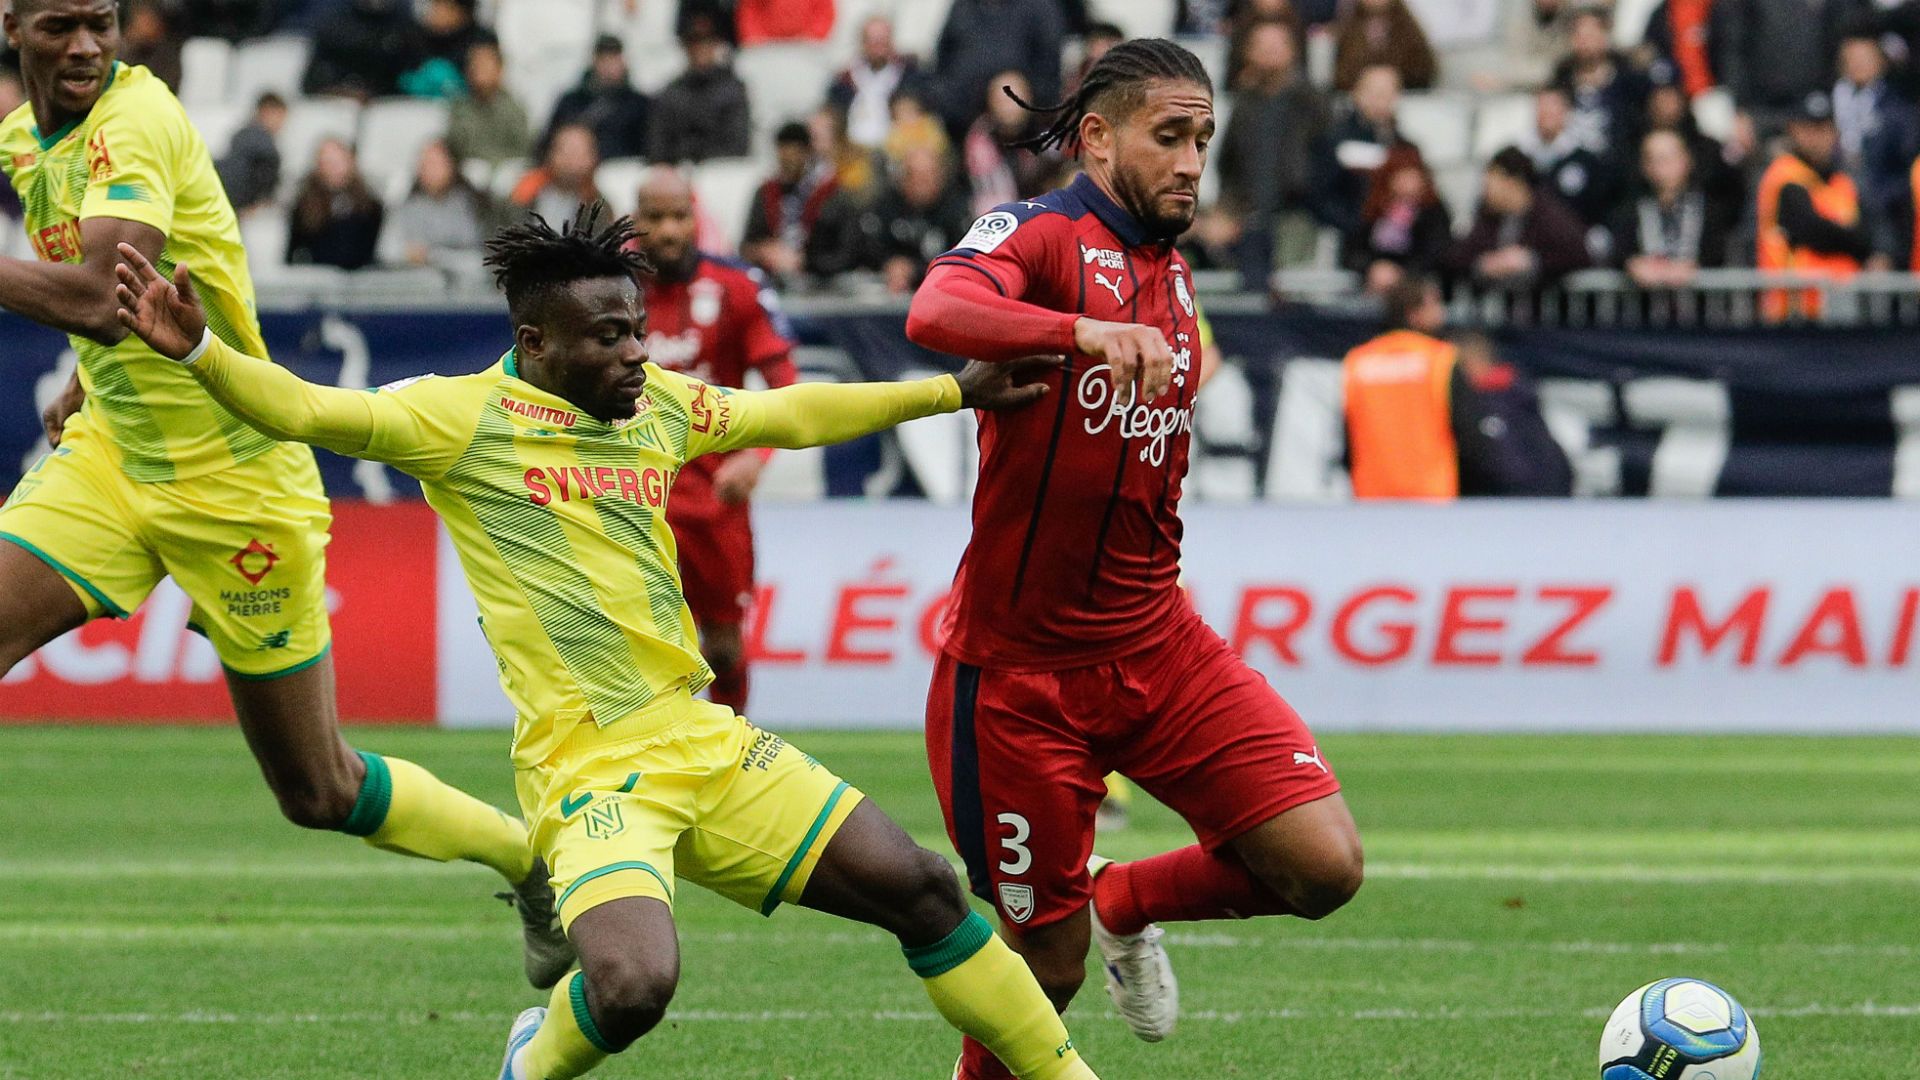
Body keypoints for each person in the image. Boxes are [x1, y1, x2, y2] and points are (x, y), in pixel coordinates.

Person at [111, 208, 1104, 1080]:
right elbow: (306, 409)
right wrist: (201, 353)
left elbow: (791, 412)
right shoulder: (459, 421)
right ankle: (529, 1060)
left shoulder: (658, 406)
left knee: (926, 890)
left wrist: (955, 393)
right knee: (632, 986)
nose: (641, 354)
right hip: (590, 770)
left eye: (640, 329)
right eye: (612, 338)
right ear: (537, 342)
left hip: (704, 741)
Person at [0, 0, 568, 991]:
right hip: (112, 462)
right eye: (59, 26)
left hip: (238, 482)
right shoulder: (23, 136)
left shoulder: (137, 121)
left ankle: (528, 858)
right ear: (11, 25)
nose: (86, 45)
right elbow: (138, 287)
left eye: (101, 21)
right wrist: (94, 376)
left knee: (317, 787)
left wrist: (97, 337)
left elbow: (98, 290)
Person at [906, 39, 1363, 1080]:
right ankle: (1077, 928)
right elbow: (932, 310)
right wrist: (1076, 333)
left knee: (1324, 867)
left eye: (1203, 138)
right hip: (1018, 679)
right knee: (1043, 973)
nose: (1193, 161)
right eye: (1170, 136)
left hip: (1159, 644)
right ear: (1100, 137)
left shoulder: (1176, 277)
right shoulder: (1041, 234)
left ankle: (1129, 897)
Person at [629, 168, 795, 715]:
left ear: (696, 217)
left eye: (679, 216)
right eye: (655, 217)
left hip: (713, 499)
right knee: (639, 651)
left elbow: (784, 384)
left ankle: (732, 761)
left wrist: (756, 456)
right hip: (628, 496)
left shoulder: (736, 287)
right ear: (635, 220)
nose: (669, 230)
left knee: (722, 648)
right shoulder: (608, 291)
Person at [1216, 18, 1327, 285]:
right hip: (1249, 217)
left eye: (1276, 44)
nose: (1269, 51)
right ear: (1248, 52)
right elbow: (1227, 163)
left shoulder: (1313, 102)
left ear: (1293, 50)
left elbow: (1326, 162)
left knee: (1290, 288)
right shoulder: (1244, 103)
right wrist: (1228, 209)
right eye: (1261, 45)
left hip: (1298, 217)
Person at [1343, 276, 1469, 499]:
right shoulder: (1441, 359)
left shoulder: (1358, 360)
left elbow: (1347, 436)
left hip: (1371, 497)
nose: (1441, 313)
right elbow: (1467, 432)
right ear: (1414, 314)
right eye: (1435, 305)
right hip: (1432, 497)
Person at [1757, 91, 1877, 321]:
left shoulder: (1843, 180)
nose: (1816, 138)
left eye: (1823, 129)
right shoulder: (1784, 175)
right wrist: (1853, 239)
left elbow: (1869, 231)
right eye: (1808, 129)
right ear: (1793, 131)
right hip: (1793, 309)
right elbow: (1812, 229)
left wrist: (1857, 239)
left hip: (1842, 307)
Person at [1445, 146, 1593, 291]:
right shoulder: (1488, 217)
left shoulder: (1549, 215)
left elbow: (1578, 254)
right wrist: (1484, 263)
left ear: (1511, 182)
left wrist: (1532, 261)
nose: (1485, 190)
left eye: (1491, 181)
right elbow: (1458, 256)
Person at [741, 121, 865, 283]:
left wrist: (804, 262)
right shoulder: (766, 193)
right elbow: (746, 247)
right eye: (783, 156)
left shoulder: (833, 196)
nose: (789, 161)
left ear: (807, 153)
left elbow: (849, 254)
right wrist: (764, 251)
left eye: (795, 154)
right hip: (775, 281)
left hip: (824, 284)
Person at [1710, 0, 1857, 137]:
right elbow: (1732, 48)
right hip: (1768, 107)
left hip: (1828, 104)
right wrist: (1740, 108)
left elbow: (1848, 34)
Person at [1605, 129, 1732, 284]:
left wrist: (1691, 267)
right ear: (1644, 166)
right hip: (1643, 304)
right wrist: (1633, 265)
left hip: (1700, 304)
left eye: (1668, 158)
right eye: (1654, 159)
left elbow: (1717, 253)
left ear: (1686, 160)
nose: (1661, 167)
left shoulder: (1710, 209)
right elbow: (1618, 252)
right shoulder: (1628, 210)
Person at [1833, 30, 1918, 261]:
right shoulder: (1829, 104)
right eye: (1851, 60)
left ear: (1880, 62)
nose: (1858, 66)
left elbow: (1905, 166)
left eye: (1865, 59)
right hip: (1837, 201)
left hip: (1883, 205)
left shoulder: (1898, 111)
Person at [931, 0, 1067, 141]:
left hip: (1026, 121)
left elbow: (1049, 65)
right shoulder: (963, 7)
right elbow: (943, 60)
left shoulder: (1038, 7)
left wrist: (1017, 90)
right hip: (965, 119)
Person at [1310, 63, 1416, 238]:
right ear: (1356, 93)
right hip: (1351, 239)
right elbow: (1319, 196)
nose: (1381, 98)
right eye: (1374, 91)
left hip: (1397, 239)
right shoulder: (1334, 140)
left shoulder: (1406, 147)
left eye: (1388, 91)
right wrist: (1360, 225)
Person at [1341, 144, 1452, 293]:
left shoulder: (1433, 212)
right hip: (1371, 283)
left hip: (1413, 285)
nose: (1408, 181)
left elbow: (1437, 252)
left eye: (1413, 174)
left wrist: (1402, 273)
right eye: (1402, 174)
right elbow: (1351, 251)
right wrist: (1372, 268)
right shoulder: (1373, 208)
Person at [865, 144, 976, 292]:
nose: (922, 183)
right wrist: (889, 265)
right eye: (915, 175)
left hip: (944, 292)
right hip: (887, 292)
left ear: (941, 176)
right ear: (902, 178)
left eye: (929, 175)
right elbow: (867, 251)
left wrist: (915, 270)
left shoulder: (957, 210)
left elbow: (965, 262)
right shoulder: (885, 207)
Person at [1549, 6, 1647, 165]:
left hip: (1616, 167)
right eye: (1578, 35)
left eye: (1591, 35)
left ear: (1605, 36)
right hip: (1569, 165)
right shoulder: (1562, 78)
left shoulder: (1627, 78)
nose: (1585, 42)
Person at [648, 15, 751, 163]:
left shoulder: (733, 90)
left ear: (716, 45)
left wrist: (698, 156)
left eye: (707, 41)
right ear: (685, 47)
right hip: (676, 172)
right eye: (694, 42)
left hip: (721, 173)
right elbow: (657, 147)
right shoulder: (670, 93)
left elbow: (737, 146)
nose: (700, 48)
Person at [963, 70, 1061, 215]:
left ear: (1028, 98)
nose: (1010, 107)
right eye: (1002, 101)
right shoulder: (980, 141)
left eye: (1016, 98)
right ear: (990, 104)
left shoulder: (1047, 134)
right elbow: (993, 199)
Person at [1522, 84, 1621, 227]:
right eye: (1542, 107)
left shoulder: (1586, 160)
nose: (1546, 113)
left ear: (1567, 112)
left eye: (1552, 107)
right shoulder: (1522, 156)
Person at [542, 34, 650, 163]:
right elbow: (548, 143)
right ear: (594, 61)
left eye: (614, 58)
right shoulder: (571, 102)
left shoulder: (639, 105)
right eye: (604, 59)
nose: (609, 66)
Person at [382, 137, 487, 267]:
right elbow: (387, 251)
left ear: (452, 165)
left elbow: (480, 259)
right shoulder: (406, 208)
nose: (429, 171)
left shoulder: (473, 206)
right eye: (424, 164)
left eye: (435, 164)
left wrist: (431, 255)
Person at [287, 137, 384, 270]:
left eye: (337, 162)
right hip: (319, 278)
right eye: (327, 162)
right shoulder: (304, 206)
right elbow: (293, 251)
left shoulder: (370, 205)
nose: (333, 168)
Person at [827, 15, 922, 148]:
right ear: (862, 42)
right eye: (872, 40)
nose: (878, 46)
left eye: (882, 40)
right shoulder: (844, 80)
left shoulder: (911, 77)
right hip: (853, 151)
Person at [302, 0, 425, 99]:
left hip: (385, 104)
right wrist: (340, 91)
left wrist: (373, 94)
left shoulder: (404, 26)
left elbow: (408, 78)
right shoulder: (335, 23)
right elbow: (311, 81)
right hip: (336, 99)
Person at [447, 37, 532, 170]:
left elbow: (525, 148)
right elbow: (455, 148)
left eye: (486, 64)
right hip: (468, 173)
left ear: (499, 70)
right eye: (475, 64)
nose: (479, 70)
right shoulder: (459, 108)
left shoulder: (515, 108)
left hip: (509, 172)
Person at [1330, 0, 1437, 93]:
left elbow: (1423, 68)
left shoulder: (1408, 29)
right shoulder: (1348, 28)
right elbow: (1339, 72)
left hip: (1404, 96)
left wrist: (1391, 80)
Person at [510, 123, 602, 226]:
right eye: (566, 151)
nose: (572, 160)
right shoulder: (524, 194)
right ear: (550, 154)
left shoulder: (598, 207)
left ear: (594, 159)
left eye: (580, 153)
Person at [215, 91, 287, 213]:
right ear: (267, 111)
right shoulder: (265, 146)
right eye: (280, 116)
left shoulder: (240, 136)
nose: (282, 124)